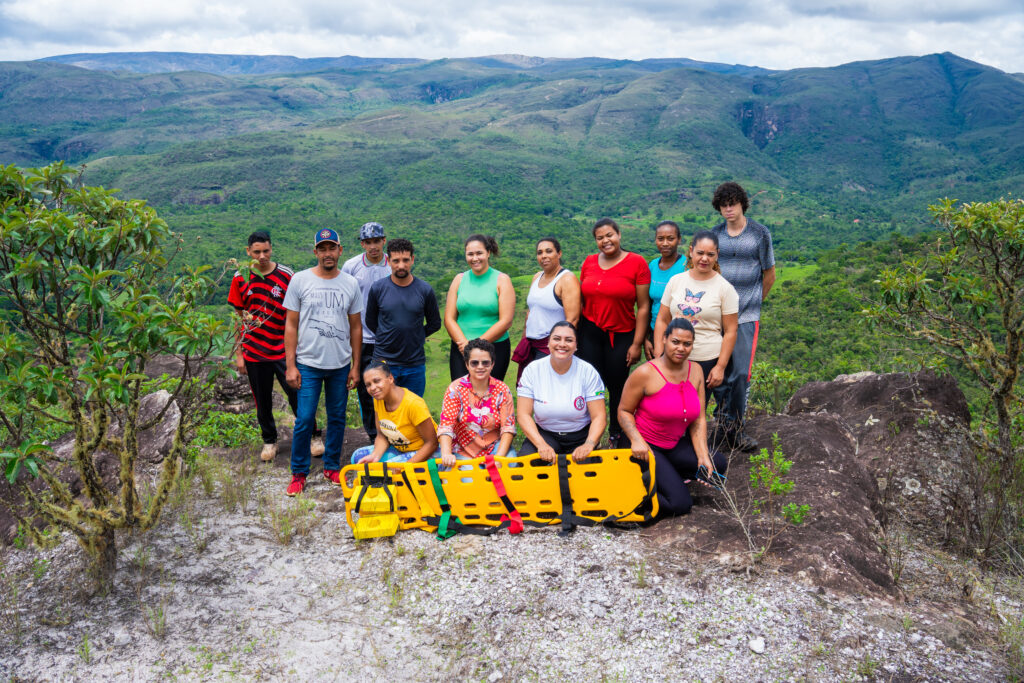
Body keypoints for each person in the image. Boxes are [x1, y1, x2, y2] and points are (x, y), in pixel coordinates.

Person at [227, 231, 324, 462]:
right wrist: (239, 354)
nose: (261, 256)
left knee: (298, 393)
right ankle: (269, 441)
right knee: (262, 400)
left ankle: (313, 435)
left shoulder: (286, 275)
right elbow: (238, 318)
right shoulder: (240, 277)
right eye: (257, 251)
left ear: (272, 250)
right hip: (254, 350)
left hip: (283, 349)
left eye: (266, 251)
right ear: (248, 251)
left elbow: (297, 313)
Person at [618, 318, 728, 517]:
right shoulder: (645, 373)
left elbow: (699, 418)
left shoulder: (695, 371)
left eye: (687, 344)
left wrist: (703, 455)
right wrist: (636, 440)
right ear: (664, 339)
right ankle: (630, 496)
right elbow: (624, 411)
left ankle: (665, 477)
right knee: (680, 504)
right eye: (675, 342)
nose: (681, 348)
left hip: (673, 444)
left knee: (716, 464)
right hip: (645, 446)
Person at [283, 228, 363, 496]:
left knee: (337, 418)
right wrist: (291, 365)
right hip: (308, 363)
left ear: (340, 250)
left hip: (339, 364)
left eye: (332, 248)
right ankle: (298, 472)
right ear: (315, 251)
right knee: (305, 418)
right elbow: (291, 324)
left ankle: (331, 466)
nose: (327, 253)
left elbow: (356, 327)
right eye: (322, 248)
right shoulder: (300, 280)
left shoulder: (350, 283)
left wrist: (355, 365)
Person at [711, 182, 776, 451]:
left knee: (740, 373)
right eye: (724, 205)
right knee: (716, 372)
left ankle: (735, 428)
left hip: (746, 314)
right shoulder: (714, 236)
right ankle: (723, 420)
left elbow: (769, 274)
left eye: (733, 204)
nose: (728, 209)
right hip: (715, 315)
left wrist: (752, 303)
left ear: (742, 204)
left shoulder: (759, 234)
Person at [577, 218, 651, 448]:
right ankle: (590, 435)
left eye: (609, 235)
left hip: (622, 334)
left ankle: (617, 434)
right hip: (590, 331)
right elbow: (581, 299)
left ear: (619, 234)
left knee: (618, 386)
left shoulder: (637, 263)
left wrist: (637, 343)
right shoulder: (589, 262)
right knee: (591, 385)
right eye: (600, 238)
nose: (605, 241)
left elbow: (644, 306)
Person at [654, 231, 739, 395]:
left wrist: (720, 367)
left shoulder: (725, 288)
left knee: (694, 409)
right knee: (667, 405)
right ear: (691, 251)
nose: (704, 258)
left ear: (717, 255)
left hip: (705, 358)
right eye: (700, 253)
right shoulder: (676, 281)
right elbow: (662, 319)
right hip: (672, 354)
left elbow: (730, 331)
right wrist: (659, 351)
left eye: (710, 254)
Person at [516, 321, 605, 463]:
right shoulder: (532, 370)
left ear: (576, 346)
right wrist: (541, 444)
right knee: (525, 469)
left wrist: (589, 444)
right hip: (545, 433)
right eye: (556, 339)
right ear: (548, 343)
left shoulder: (588, 371)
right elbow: (523, 414)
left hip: (580, 434)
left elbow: (599, 416)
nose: (562, 344)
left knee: (589, 475)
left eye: (569, 340)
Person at [365, 239, 441, 398]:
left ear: (412, 259)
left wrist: (415, 335)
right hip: (383, 362)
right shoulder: (378, 288)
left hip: (414, 364)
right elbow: (370, 321)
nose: (401, 265)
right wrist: (387, 335)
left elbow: (435, 323)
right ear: (388, 260)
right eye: (396, 261)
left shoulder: (424, 290)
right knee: (385, 412)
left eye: (406, 260)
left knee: (413, 411)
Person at [341, 221, 392, 443]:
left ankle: (393, 433)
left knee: (389, 386)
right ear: (362, 244)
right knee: (365, 388)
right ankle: (373, 435)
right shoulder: (352, 267)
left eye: (376, 241)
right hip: (361, 337)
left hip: (387, 337)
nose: (373, 246)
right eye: (368, 242)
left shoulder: (394, 263)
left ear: (384, 241)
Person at [444, 235, 515, 382]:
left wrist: (475, 345)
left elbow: (506, 321)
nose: (475, 258)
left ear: (488, 253)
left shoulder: (502, 280)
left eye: (479, 253)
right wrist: (464, 344)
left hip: (494, 348)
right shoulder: (459, 279)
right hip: (461, 349)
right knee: (462, 394)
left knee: (490, 395)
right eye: (470, 254)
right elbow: (449, 319)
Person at [438, 338, 517, 467]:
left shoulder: (502, 390)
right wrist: (446, 454)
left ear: (492, 364)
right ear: (467, 364)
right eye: (474, 363)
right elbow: (446, 425)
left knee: (509, 467)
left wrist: (498, 458)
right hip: (463, 450)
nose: (480, 367)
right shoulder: (455, 389)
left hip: (494, 447)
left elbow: (507, 427)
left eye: (485, 363)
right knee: (469, 481)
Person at [513, 237, 581, 382]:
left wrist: (558, 347)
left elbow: (572, 320)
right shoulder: (537, 277)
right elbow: (531, 311)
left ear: (559, 253)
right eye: (540, 252)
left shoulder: (566, 279)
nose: (544, 256)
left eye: (549, 251)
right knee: (529, 390)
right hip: (531, 343)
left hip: (550, 346)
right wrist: (524, 338)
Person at [350, 360, 438, 465]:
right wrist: (374, 456)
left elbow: (432, 443)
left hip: (424, 451)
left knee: (390, 468)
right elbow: (382, 436)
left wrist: (406, 467)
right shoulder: (378, 399)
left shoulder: (413, 404)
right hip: (399, 449)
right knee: (357, 457)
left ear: (390, 378)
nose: (373, 388)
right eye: (368, 385)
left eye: (377, 381)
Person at [644, 221, 687, 360]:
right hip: (654, 331)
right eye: (660, 239)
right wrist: (646, 338)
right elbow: (647, 304)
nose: (665, 243)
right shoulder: (653, 265)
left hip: (679, 333)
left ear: (679, 240)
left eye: (670, 238)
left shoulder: (686, 266)